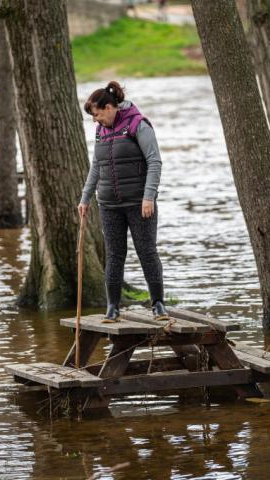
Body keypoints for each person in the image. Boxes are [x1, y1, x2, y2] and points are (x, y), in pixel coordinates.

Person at [77, 81, 168, 323]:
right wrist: (86, 198)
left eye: (97, 115)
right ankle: (112, 307)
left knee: (147, 252)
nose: (96, 121)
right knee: (115, 255)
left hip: (139, 203)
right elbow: (97, 166)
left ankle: (158, 304)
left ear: (109, 107)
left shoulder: (138, 124)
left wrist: (149, 196)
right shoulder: (101, 131)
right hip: (109, 205)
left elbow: (154, 161)